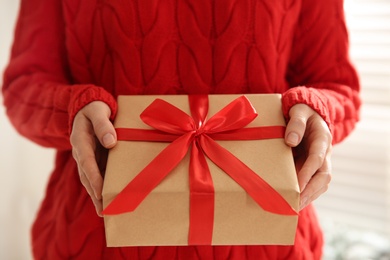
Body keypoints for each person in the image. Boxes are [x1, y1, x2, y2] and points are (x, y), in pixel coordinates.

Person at [2, 0, 360, 259]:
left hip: (270, 242)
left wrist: (320, 112)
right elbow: (21, 89)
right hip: (94, 239)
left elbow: (339, 87)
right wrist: (72, 108)